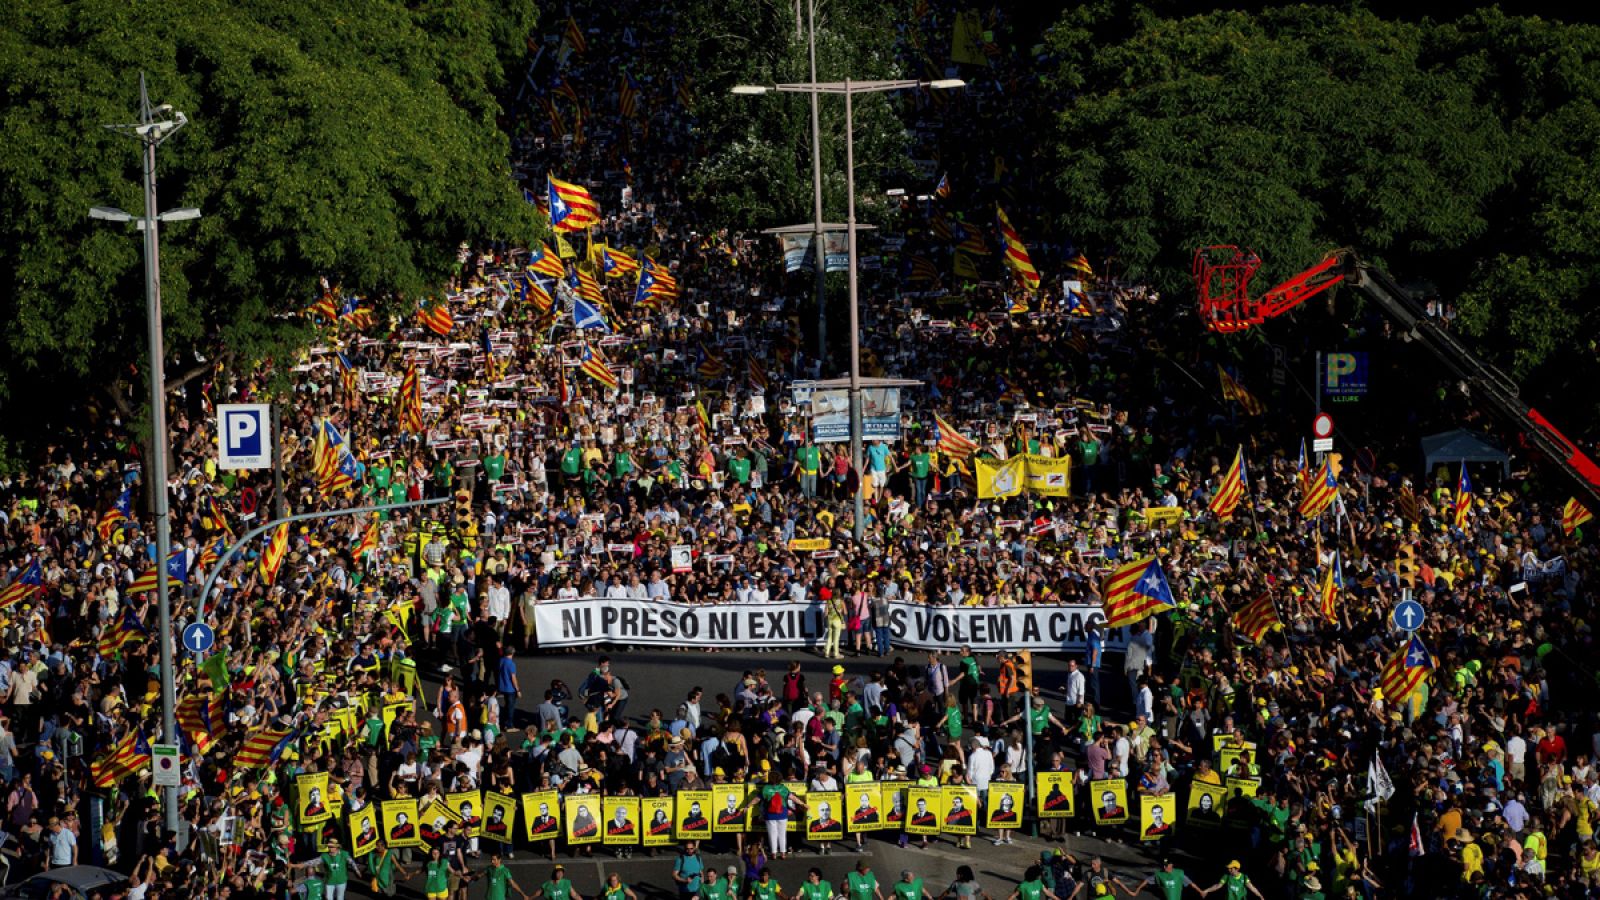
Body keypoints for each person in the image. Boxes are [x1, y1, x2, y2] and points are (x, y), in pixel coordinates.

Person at [1116, 859, 1198, 900]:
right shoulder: (1159, 874)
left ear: (1171, 865)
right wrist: (1137, 891)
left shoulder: (1179, 873)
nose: (1164, 867)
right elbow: (1146, 880)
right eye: (1164, 865)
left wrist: (1200, 891)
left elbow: (1190, 883)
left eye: (1166, 865)